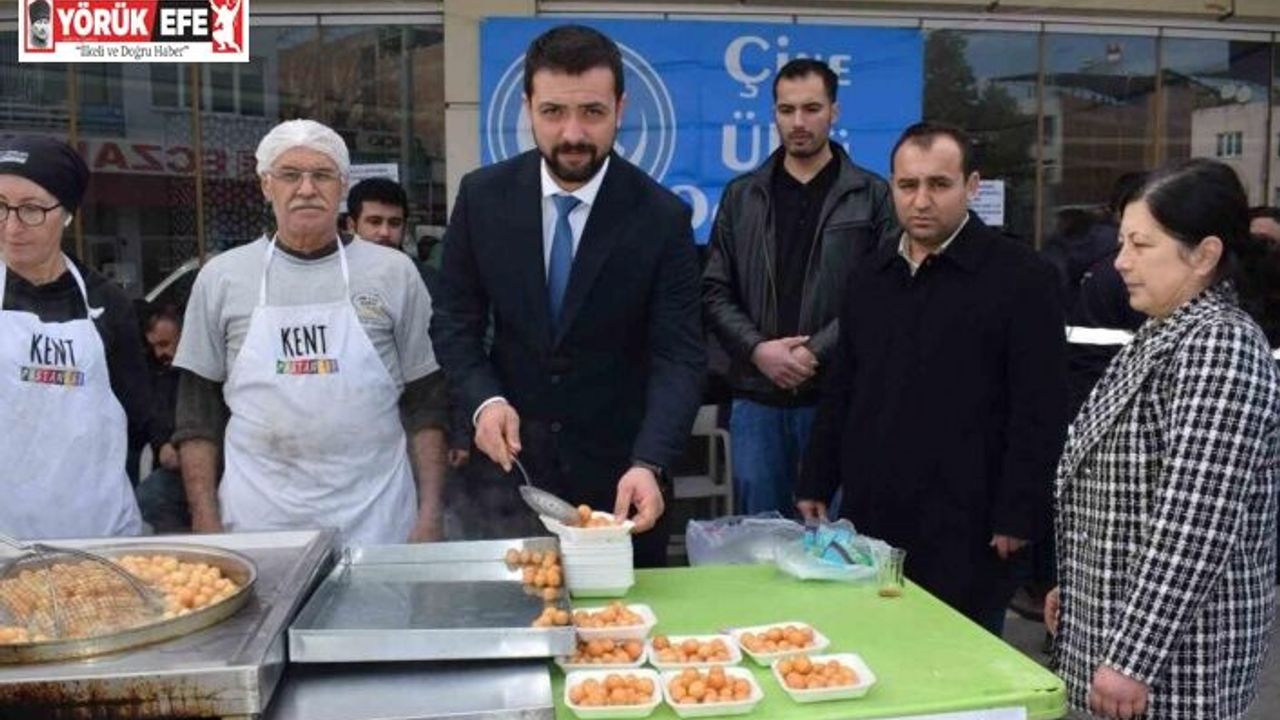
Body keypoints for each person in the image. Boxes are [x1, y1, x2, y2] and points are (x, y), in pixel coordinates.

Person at [431, 24, 705, 567]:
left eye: (593, 113)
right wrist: (484, 400)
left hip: (622, 482)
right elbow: (454, 321)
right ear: (528, 106)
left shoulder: (661, 217)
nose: (573, 133)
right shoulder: (483, 198)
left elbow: (679, 357)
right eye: (553, 112)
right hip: (509, 475)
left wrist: (650, 462)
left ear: (620, 108)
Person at [798, 122, 1069, 634]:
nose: (921, 200)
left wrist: (1018, 512)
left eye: (939, 185)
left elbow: (1040, 407)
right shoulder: (870, 274)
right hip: (876, 515)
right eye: (907, 185)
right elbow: (843, 387)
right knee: (879, 650)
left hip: (971, 522)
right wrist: (817, 474)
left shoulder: (1020, 276)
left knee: (965, 667)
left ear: (971, 187)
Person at [1046, 159, 1279, 720]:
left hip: (1176, 667)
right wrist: (1075, 586)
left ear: (1205, 254)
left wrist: (1132, 659)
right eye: (1123, 241)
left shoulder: (1219, 347)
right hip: (1120, 632)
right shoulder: (1166, 330)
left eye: (1141, 245)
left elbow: (1193, 525)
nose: (1120, 262)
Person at [173, 119, 449, 545]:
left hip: (376, 517)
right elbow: (197, 414)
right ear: (266, 185)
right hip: (257, 520)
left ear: (341, 187)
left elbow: (426, 402)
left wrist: (430, 514)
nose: (306, 189)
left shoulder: (394, 273)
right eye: (289, 175)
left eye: (321, 175)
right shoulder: (223, 278)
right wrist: (205, 519)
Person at [702, 58, 896, 516]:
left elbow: (883, 295)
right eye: (786, 110)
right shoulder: (742, 195)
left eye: (811, 108)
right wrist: (758, 350)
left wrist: (815, 352)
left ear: (835, 112)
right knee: (761, 545)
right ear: (774, 114)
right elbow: (713, 289)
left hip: (836, 398)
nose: (798, 122)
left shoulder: (871, 196)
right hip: (756, 400)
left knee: (838, 546)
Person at [0, 135, 149, 539]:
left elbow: (139, 417)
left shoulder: (107, 302)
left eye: (31, 209)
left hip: (101, 536)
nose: (12, 226)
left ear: (66, 214)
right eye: (0, 207)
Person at [134, 305, 190, 533]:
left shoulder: (197, 374)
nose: (159, 354)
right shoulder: (157, 372)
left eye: (165, 345)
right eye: (154, 347)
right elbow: (152, 416)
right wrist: (162, 444)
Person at [347, 177, 409, 250]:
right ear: (352, 226)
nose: (385, 233)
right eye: (375, 222)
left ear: (405, 229)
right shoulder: (338, 261)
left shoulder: (410, 262)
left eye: (394, 223)